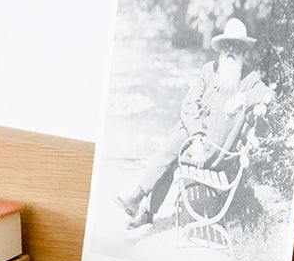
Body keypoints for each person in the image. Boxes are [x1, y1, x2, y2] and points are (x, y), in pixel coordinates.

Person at [117, 17, 276, 229]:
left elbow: (268, 94)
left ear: (243, 52)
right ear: (221, 49)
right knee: (179, 136)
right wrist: (198, 139)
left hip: (217, 153)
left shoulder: (248, 79)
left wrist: (242, 99)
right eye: (228, 45)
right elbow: (189, 104)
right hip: (199, 142)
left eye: (237, 47)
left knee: (174, 147)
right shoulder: (209, 70)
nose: (231, 51)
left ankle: (140, 200)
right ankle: (142, 206)